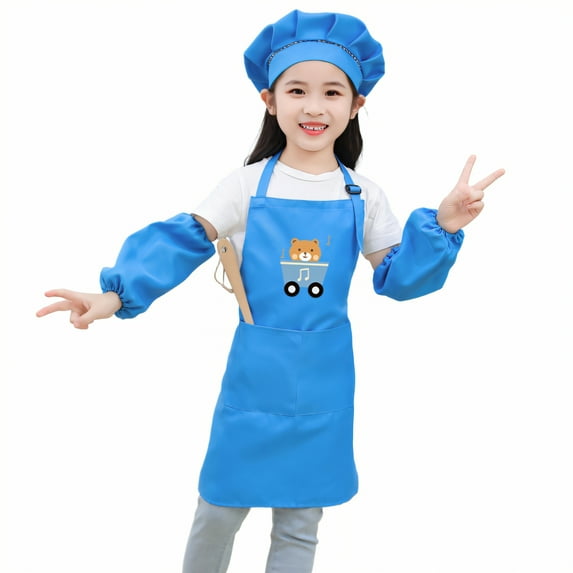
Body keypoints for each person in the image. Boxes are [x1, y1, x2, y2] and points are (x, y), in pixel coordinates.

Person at [36, 9, 505, 573]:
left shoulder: (364, 195)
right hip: (255, 375)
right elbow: (184, 240)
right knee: (219, 509)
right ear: (269, 99)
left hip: (325, 380)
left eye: (332, 92)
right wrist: (113, 296)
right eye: (297, 90)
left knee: (301, 521)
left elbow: (398, 278)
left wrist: (444, 226)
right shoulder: (243, 186)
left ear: (356, 105)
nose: (314, 107)